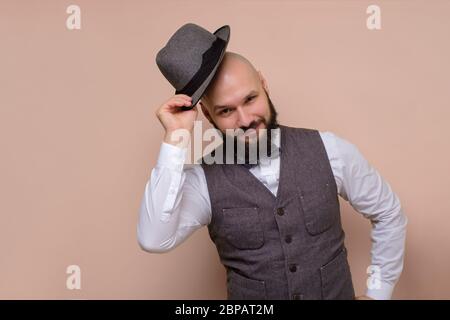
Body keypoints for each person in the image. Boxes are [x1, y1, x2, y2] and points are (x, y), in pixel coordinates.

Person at [137, 23, 407, 300]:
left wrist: (379, 292)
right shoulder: (203, 181)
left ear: (264, 85)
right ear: (207, 115)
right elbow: (153, 239)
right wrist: (176, 137)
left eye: (250, 99)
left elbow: (388, 212)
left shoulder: (330, 149)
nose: (245, 120)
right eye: (226, 110)